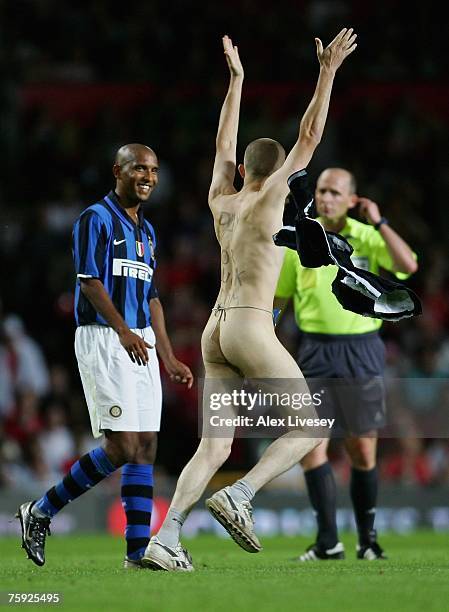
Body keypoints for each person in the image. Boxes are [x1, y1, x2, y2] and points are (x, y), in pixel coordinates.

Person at [142, 30, 358, 572]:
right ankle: (241, 495)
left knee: (213, 447)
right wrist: (327, 71)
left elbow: (222, 146)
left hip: (213, 329)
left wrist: (236, 82)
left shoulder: (223, 199)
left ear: (244, 170)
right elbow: (309, 134)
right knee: (310, 425)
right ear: (278, 173)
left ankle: (164, 538)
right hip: (249, 325)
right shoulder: (271, 197)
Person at [17, 143, 193, 569]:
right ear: (118, 170)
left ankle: (137, 555)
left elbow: (152, 296)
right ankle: (40, 511)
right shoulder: (94, 219)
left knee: (146, 446)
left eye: (153, 170)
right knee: (121, 447)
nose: (148, 177)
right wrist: (123, 331)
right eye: (139, 169)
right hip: (104, 338)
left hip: (142, 340)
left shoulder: (147, 231)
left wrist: (167, 355)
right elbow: (89, 282)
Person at [275, 167, 418, 561]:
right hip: (314, 351)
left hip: (361, 349)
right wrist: (264, 336)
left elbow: (408, 265)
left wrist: (379, 221)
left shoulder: (367, 237)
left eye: (335, 192)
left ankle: (367, 540)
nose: (326, 198)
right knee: (309, 444)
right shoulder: (302, 237)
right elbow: (280, 298)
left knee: (362, 450)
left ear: (352, 199)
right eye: (321, 191)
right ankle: (327, 542)